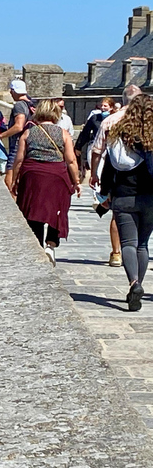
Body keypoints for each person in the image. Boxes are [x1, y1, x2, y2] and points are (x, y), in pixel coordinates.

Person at [94, 93, 153, 310]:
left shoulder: (117, 135)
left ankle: (134, 283)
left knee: (128, 243)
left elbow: (108, 168)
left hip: (123, 195)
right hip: (150, 198)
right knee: (143, 244)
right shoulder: (151, 137)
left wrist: (105, 193)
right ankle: (140, 284)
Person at [10, 99, 81, 266]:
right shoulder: (63, 133)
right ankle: (51, 244)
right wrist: (76, 181)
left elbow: (19, 160)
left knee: (33, 210)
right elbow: (71, 160)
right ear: (55, 114)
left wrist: (14, 180)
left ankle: (37, 245)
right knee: (57, 208)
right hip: (56, 174)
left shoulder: (28, 133)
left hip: (32, 174)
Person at [90, 86, 143, 269]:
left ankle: (116, 253)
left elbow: (97, 150)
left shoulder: (111, 120)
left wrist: (94, 174)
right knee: (143, 229)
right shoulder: (147, 120)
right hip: (145, 178)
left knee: (118, 215)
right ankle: (139, 256)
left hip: (116, 174)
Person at [0, 79, 35, 190]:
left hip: (18, 145)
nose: (11, 93)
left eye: (11, 91)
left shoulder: (19, 105)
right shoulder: (31, 103)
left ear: (14, 91)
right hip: (30, 144)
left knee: (10, 182)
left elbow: (19, 126)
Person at [77, 97, 114, 181]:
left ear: (111, 107)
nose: (103, 108)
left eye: (105, 106)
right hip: (95, 145)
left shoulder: (114, 118)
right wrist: (78, 147)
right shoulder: (94, 118)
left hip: (110, 147)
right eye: (101, 106)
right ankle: (96, 191)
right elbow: (85, 132)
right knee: (97, 170)